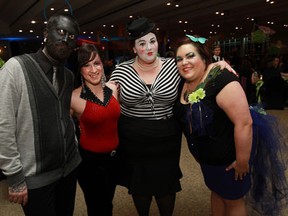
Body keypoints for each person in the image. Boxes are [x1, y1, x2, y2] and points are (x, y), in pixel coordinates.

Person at [109, 17, 235, 216]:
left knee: (166, 185)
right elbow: (109, 100)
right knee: (139, 185)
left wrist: (214, 66)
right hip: (133, 140)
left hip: (166, 139)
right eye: (142, 43)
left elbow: (198, 73)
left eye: (152, 41)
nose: (149, 47)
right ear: (134, 48)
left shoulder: (173, 66)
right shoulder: (120, 71)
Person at [174, 35, 288, 216]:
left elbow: (244, 123)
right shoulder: (183, 82)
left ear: (204, 58)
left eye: (190, 56)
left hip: (229, 160)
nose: (184, 62)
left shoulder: (222, 81)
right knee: (217, 192)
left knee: (233, 200)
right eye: (179, 59)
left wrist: (242, 161)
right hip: (207, 159)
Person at [0, 13, 81, 216]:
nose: (65, 39)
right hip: (36, 178)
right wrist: (15, 177)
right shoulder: (16, 68)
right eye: (61, 32)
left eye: (71, 36)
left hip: (69, 169)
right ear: (46, 33)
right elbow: (3, 126)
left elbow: (65, 117)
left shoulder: (69, 76)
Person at [70, 43, 120, 216]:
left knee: (109, 204)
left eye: (96, 63)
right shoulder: (73, 98)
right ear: (80, 69)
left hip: (114, 158)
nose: (93, 69)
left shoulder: (113, 89)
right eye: (86, 65)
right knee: (98, 208)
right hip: (90, 164)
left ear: (103, 64)